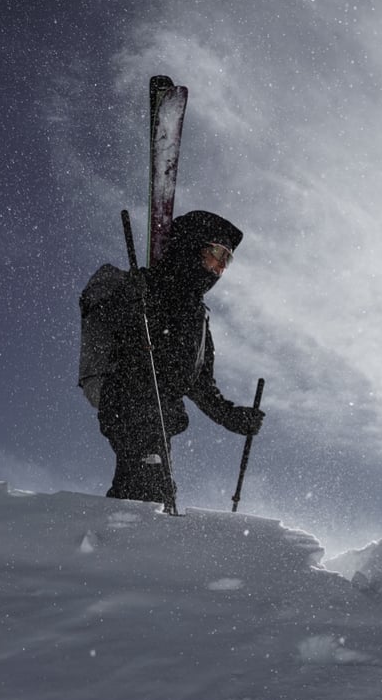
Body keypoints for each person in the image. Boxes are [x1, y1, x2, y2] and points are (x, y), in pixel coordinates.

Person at [90, 210, 264, 510]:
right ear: (193, 247)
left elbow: (199, 384)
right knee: (148, 491)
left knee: (158, 496)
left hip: (160, 418)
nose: (220, 267)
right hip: (131, 404)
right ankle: (121, 533)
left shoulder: (198, 317)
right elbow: (109, 320)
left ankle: (118, 534)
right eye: (217, 253)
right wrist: (129, 300)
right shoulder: (149, 285)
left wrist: (232, 417)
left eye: (227, 261)